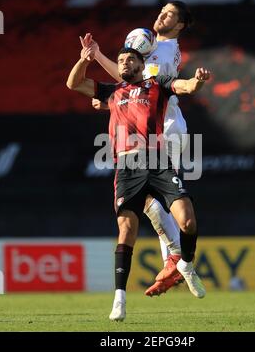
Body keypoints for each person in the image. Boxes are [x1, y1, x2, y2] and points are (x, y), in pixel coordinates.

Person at [66, 46, 210, 321]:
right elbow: (73, 83)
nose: (124, 63)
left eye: (130, 59)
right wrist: (83, 60)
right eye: (120, 60)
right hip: (128, 165)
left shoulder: (158, 85)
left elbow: (187, 86)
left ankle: (186, 265)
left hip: (158, 159)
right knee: (127, 229)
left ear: (141, 64)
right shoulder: (111, 91)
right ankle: (119, 299)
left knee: (188, 221)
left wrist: (198, 81)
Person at [81, 1, 194, 296]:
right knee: (149, 199)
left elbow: (134, 81)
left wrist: (97, 56)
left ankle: (174, 257)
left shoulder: (164, 50)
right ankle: (172, 258)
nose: (162, 15)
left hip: (163, 131)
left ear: (180, 25)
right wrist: (112, 99)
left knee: (150, 198)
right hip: (160, 130)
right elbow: (131, 89)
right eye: (162, 11)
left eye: (170, 14)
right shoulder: (160, 46)